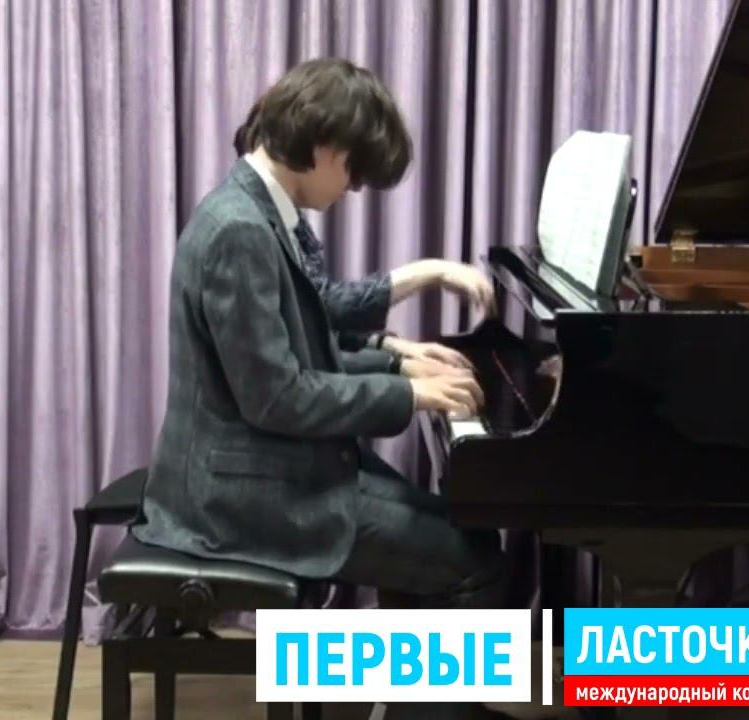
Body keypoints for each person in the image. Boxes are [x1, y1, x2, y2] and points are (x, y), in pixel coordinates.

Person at [132, 58, 508, 615]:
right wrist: (409, 392)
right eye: (354, 172)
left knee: (463, 533)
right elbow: (278, 397)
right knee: (474, 560)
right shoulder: (240, 231)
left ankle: (411, 672)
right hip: (240, 499)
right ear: (328, 146)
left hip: (268, 469)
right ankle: (417, 678)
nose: (353, 188)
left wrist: (397, 364)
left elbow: (306, 342)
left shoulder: (258, 209)